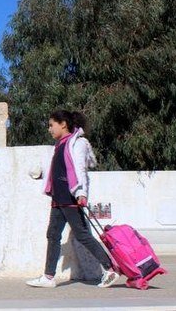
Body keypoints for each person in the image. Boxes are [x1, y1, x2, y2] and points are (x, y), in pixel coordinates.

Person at [26, 110, 119, 288]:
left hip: (71, 197)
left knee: (82, 235)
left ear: (63, 124)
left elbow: (80, 169)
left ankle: (110, 268)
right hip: (58, 198)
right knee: (52, 235)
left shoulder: (78, 143)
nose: (49, 129)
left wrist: (81, 193)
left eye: (51, 124)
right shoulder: (59, 145)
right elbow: (58, 169)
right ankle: (48, 276)